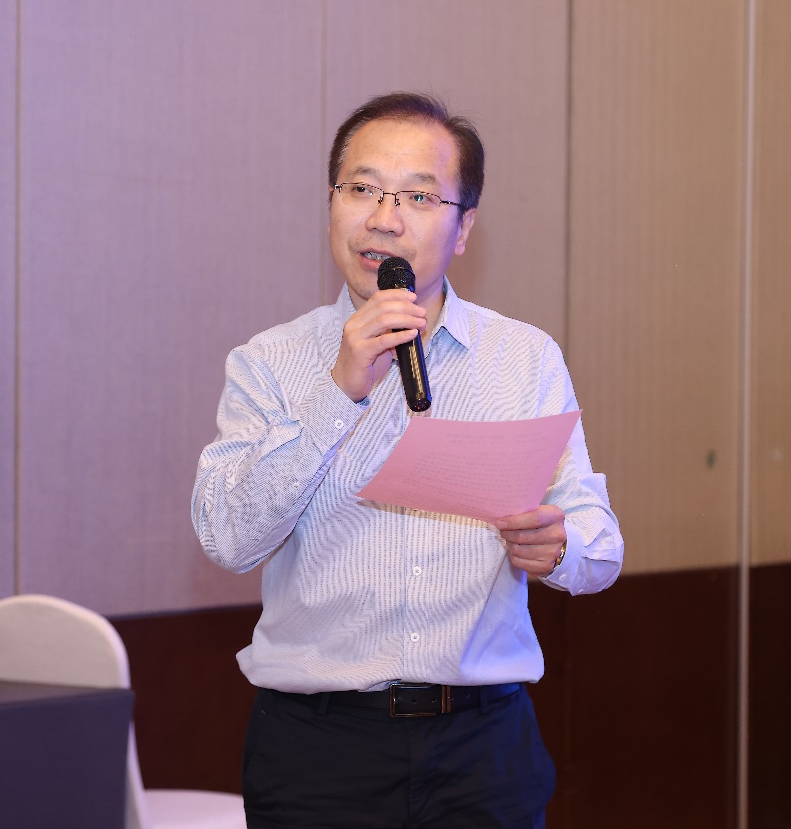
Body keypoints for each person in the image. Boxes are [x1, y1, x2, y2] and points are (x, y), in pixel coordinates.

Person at [191, 92, 623, 829]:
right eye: (361, 188)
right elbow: (228, 539)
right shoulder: (269, 362)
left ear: (464, 228)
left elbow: (599, 545)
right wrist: (338, 391)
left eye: (419, 197)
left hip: (482, 748)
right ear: (332, 203)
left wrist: (560, 549)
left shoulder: (523, 359)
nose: (383, 218)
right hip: (318, 753)